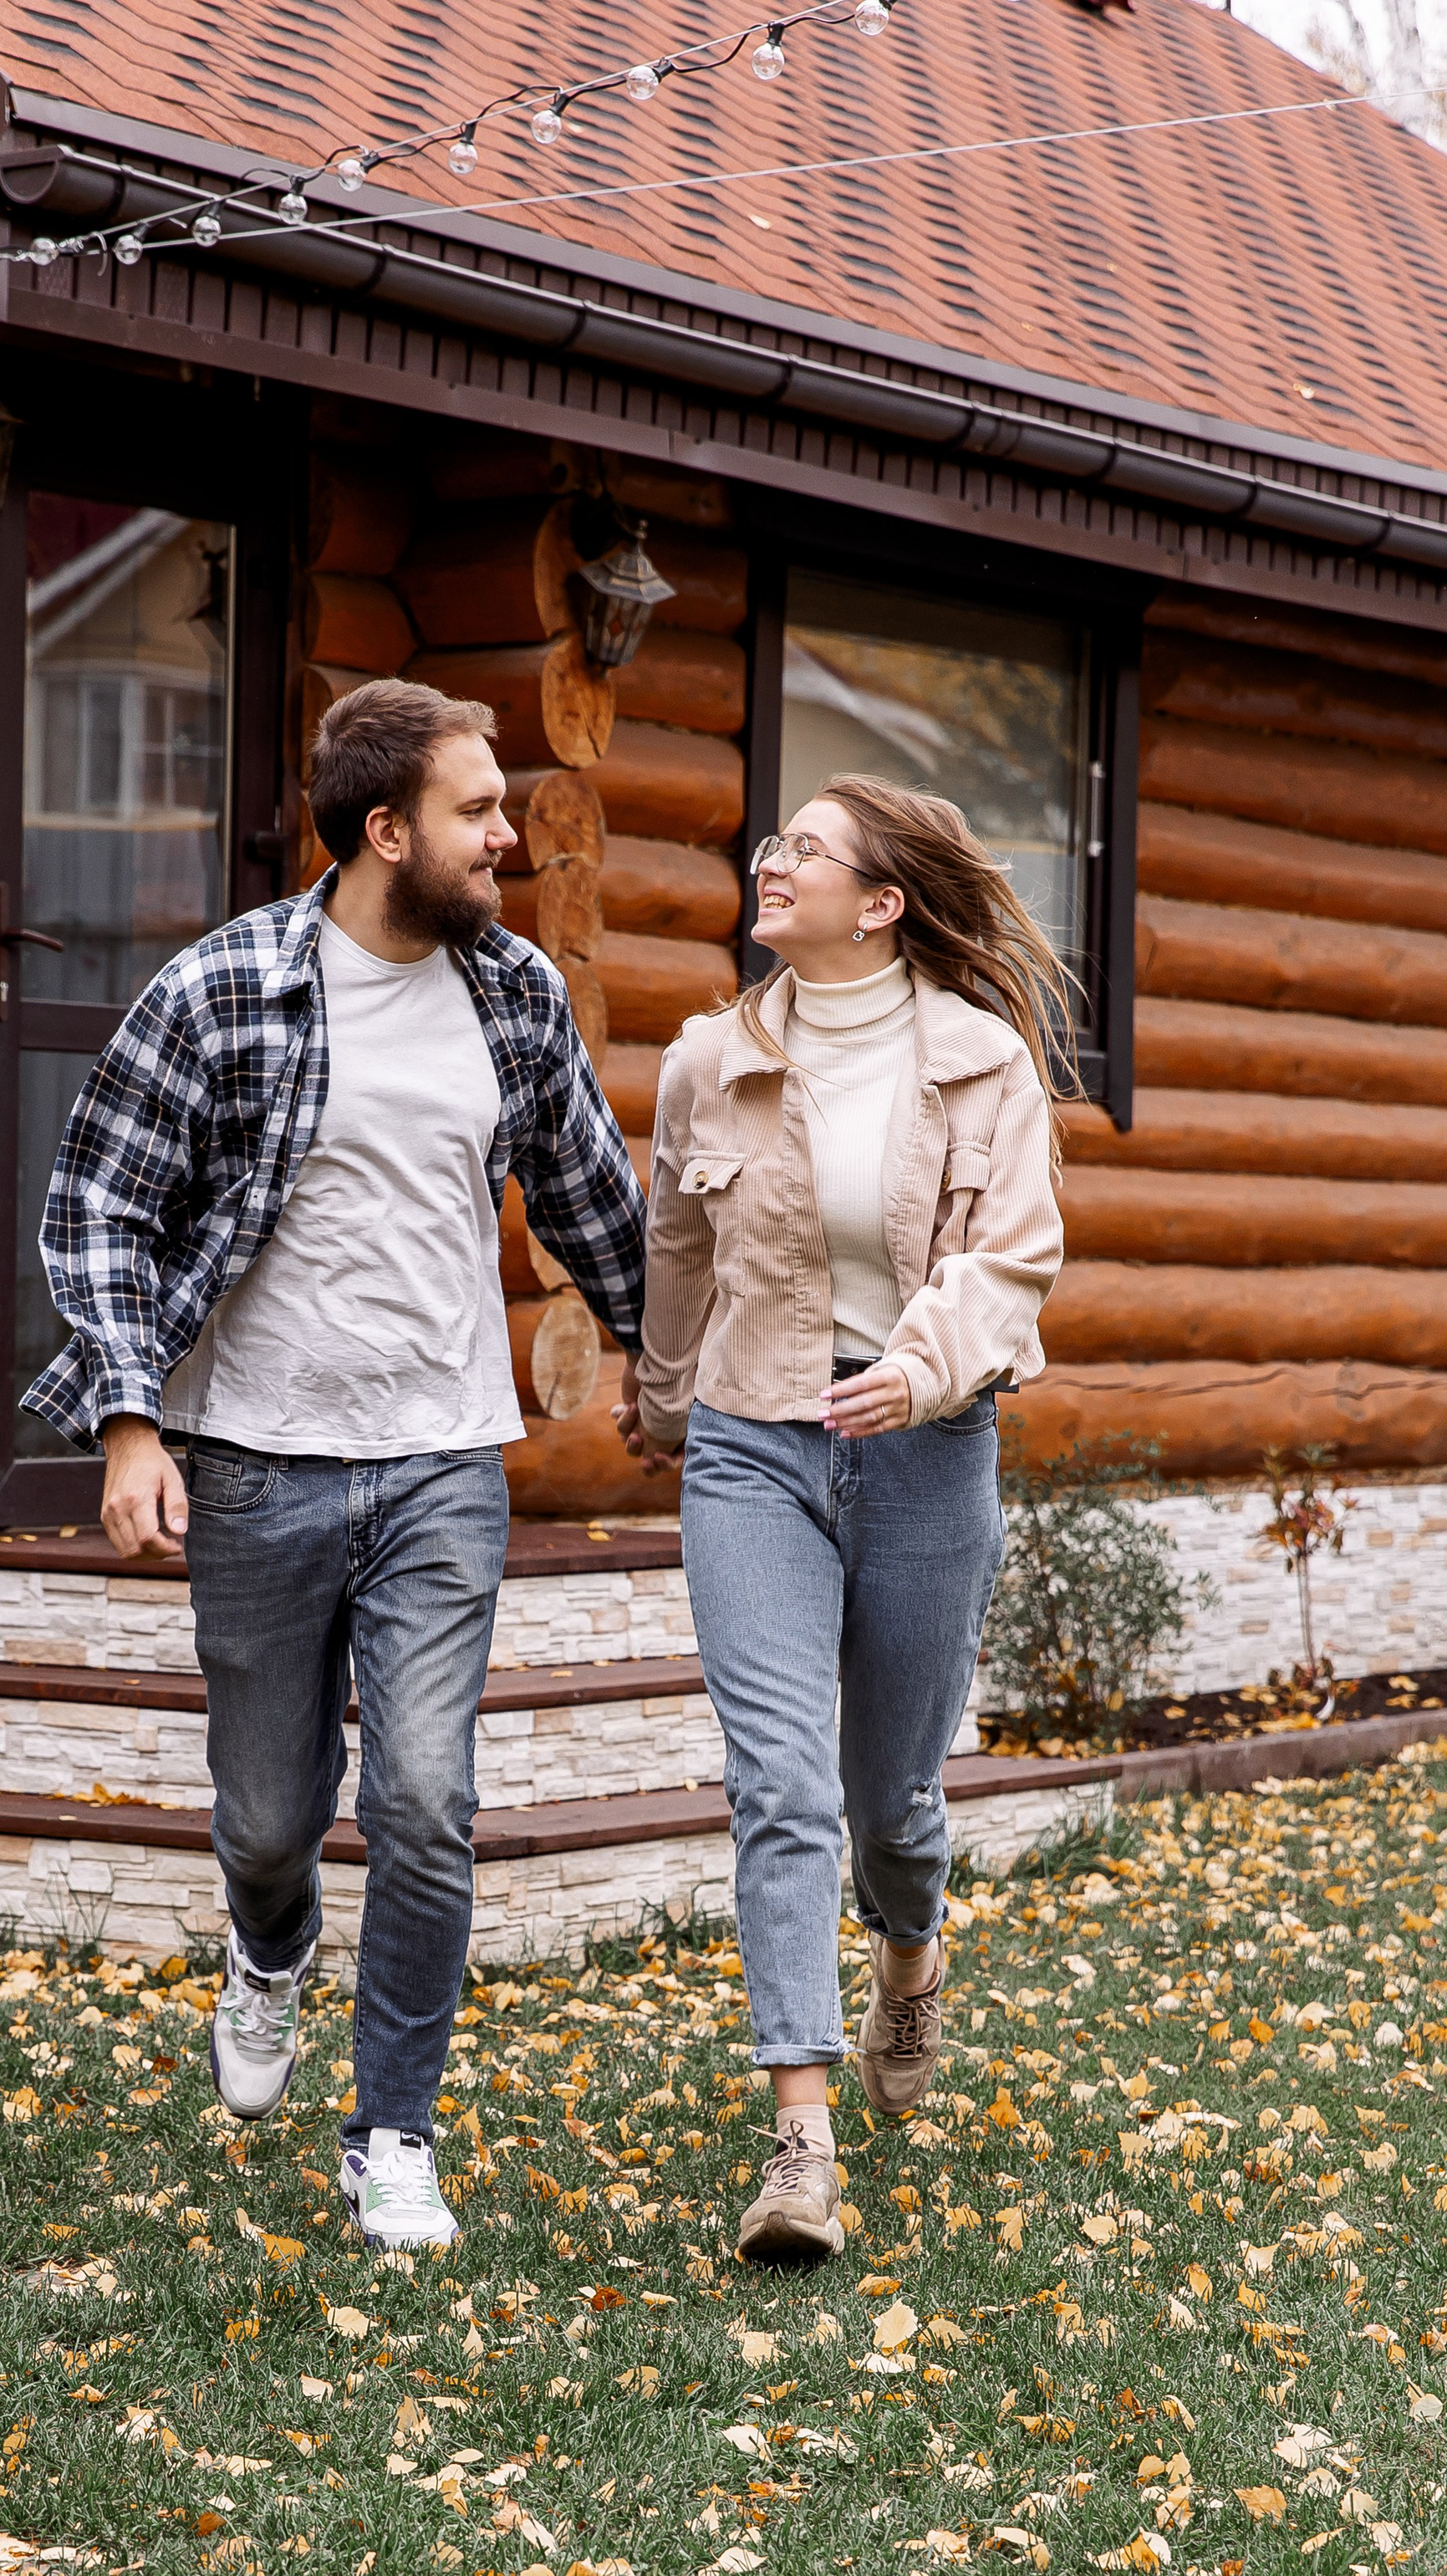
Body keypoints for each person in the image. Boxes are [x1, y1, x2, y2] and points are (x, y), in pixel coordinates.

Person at [24, 680, 647, 2252]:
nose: (511, 833)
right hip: (257, 1461)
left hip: (444, 1459)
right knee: (267, 1818)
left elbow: (591, 1197)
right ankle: (267, 1941)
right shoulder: (224, 989)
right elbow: (100, 1206)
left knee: (430, 1800)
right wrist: (128, 1421)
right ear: (387, 832)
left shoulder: (513, 994)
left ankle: (394, 2140)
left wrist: (675, 1362)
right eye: (479, 810)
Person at [616, 773, 1067, 2264]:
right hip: (754, 1449)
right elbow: (675, 1251)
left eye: (803, 848)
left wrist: (923, 1374)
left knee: (893, 1804)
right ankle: (799, 2140)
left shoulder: (981, 1063)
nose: (771, 859)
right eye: (770, 841)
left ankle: (910, 1956)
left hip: (927, 1451)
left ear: (879, 903)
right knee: (780, 1785)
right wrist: (667, 1403)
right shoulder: (709, 1059)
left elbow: (1011, 1259)